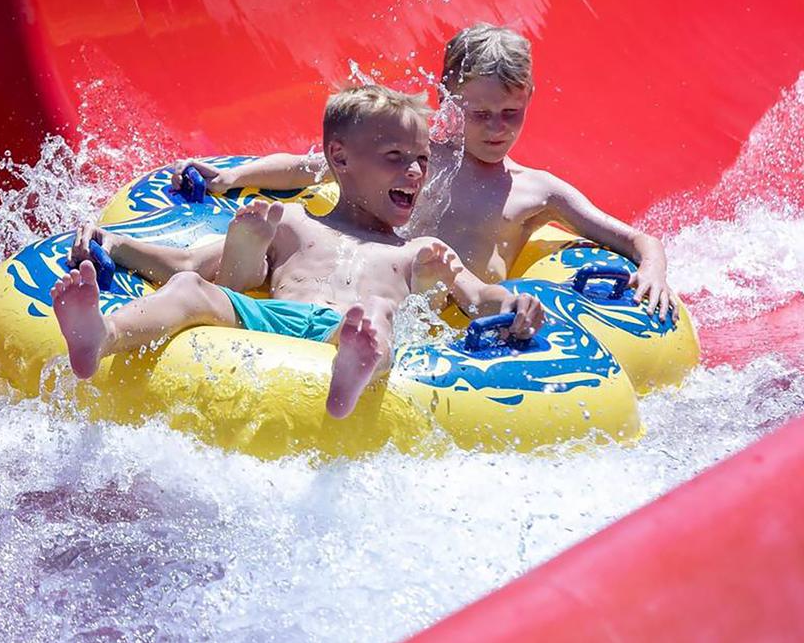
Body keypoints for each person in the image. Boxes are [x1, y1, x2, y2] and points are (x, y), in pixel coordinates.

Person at [51, 85, 543, 419]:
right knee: (188, 290)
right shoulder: (291, 221)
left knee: (375, 315)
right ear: (340, 160)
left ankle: (354, 373)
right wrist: (115, 244)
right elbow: (185, 265)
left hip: (347, 332)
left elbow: (477, 296)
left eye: (421, 160)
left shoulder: (421, 250)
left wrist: (511, 305)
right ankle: (103, 334)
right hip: (273, 318)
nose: (414, 172)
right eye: (395, 158)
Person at [171, 22, 679, 321]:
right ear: (448, 97)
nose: (497, 129)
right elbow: (311, 168)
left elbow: (635, 239)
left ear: (529, 99)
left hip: (438, 319)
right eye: (480, 114)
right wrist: (231, 178)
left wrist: (652, 268)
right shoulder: (421, 155)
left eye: (511, 113)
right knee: (248, 242)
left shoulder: (534, 190)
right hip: (366, 278)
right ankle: (130, 256)